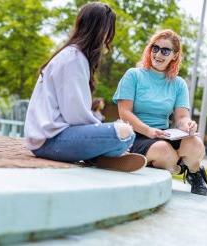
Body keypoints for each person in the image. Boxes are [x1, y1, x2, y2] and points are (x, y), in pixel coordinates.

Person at [24, 2, 145, 171]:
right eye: (108, 31)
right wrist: (102, 127)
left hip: (46, 138)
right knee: (125, 133)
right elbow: (76, 115)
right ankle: (101, 156)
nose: (108, 38)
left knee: (121, 132)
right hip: (50, 140)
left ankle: (100, 157)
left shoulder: (72, 55)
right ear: (99, 30)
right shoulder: (74, 59)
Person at [113, 29, 207, 195]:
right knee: (165, 152)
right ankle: (171, 164)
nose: (158, 54)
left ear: (175, 55)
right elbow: (124, 113)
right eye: (155, 48)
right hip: (136, 134)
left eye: (165, 50)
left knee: (196, 144)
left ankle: (194, 172)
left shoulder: (178, 84)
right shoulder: (133, 75)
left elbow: (181, 117)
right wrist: (148, 131)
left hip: (164, 134)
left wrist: (188, 124)